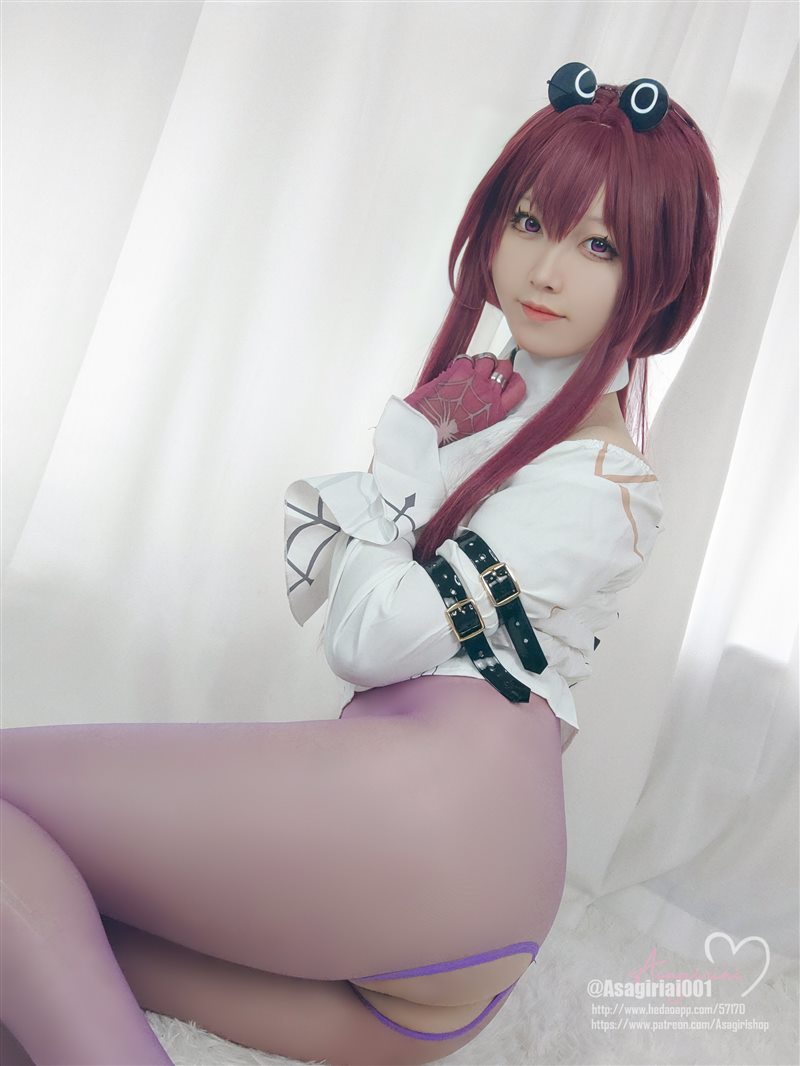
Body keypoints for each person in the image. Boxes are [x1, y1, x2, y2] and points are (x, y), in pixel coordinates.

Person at [0, 62, 720, 1066]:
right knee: (39, 955)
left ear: (660, 279)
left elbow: (369, 638)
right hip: (437, 918)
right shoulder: (495, 409)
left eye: (597, 245)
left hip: (436, 834)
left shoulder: (599, 483)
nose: (545, 270)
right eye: (528, 222)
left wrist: (405, 449)